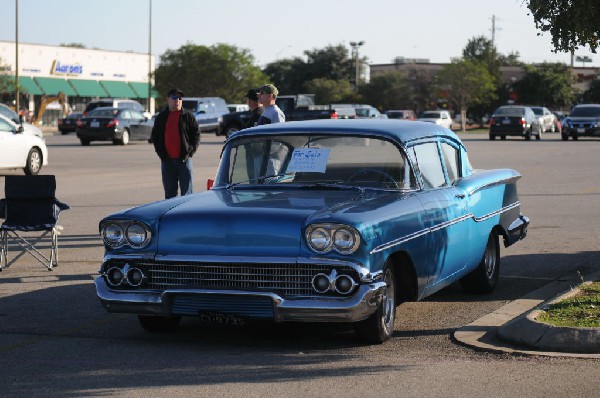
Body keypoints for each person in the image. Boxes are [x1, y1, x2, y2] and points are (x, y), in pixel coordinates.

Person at [151, 88, 200, 199]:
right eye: (174, 97)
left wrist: (190, 152)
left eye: (179, 98)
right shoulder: (161, 117)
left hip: (185, 161)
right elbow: (155, 137)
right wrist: (161, 154)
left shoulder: (188, 116)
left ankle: (187, 216)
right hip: (167, 162)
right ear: (168, 99)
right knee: (170, 196)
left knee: (187, 196)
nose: (177, 100)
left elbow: (196, 135)